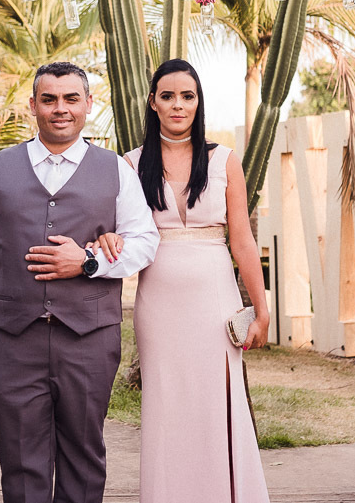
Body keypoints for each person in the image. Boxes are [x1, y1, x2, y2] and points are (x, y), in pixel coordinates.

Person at [0, 61, 160, 503]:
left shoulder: (116, 170)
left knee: (84, 457)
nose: (59, 109)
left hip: (89, 339)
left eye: (70, 99)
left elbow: (144, 241)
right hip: (11, 338)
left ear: (88, 105)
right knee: (20, 460)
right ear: (33, 106)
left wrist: (86, 261)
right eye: (49, 100)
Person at [92, 58, 272, 503]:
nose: (178, 105)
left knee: (216, 404)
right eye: (167, 96)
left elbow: (243, 241)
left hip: (215, 300)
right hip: (158, 304)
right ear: (153, 103)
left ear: (198, 102)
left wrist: (262, 309)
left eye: (187, 96)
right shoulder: (129, 165)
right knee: (167, 406)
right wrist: (110, 235)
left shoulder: (225, 161)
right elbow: (115, 231)